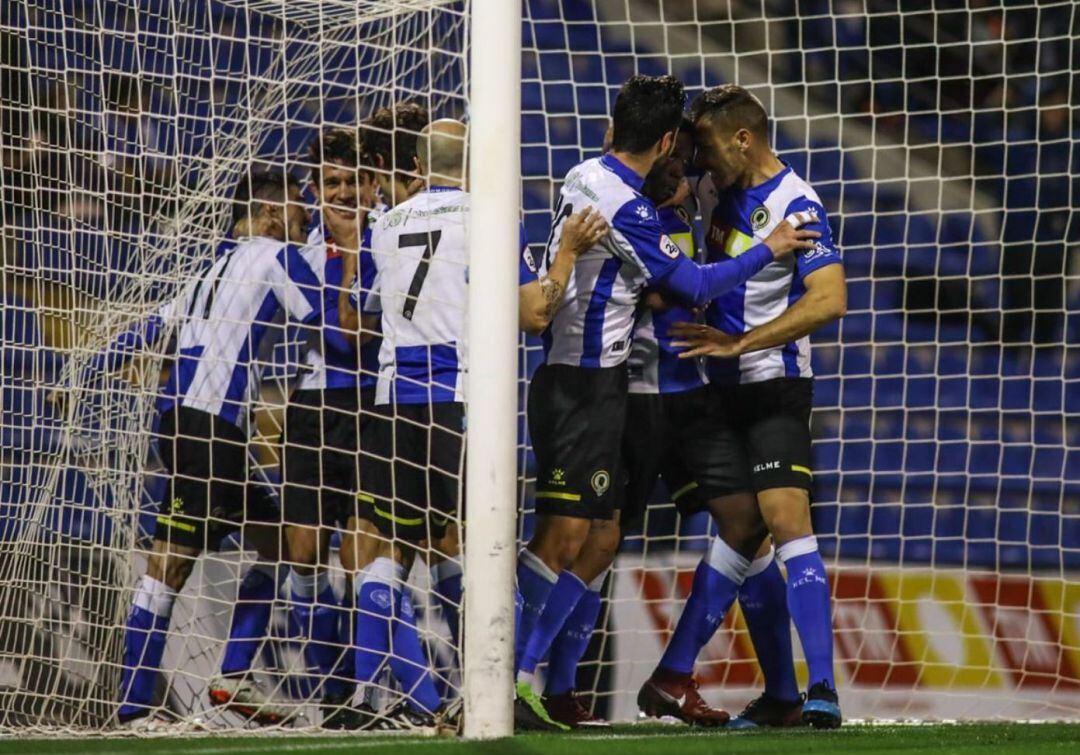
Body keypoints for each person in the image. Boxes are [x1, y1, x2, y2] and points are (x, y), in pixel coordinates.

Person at [515, 74, 821, 731]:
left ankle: (698, 679)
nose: (687, 166)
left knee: (741, 525)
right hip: (621, 392)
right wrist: (757, 253)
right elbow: (686, 285)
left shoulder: (696, 195)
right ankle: (528, 674)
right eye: (678, 153)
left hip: (684, 395)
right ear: (659, 145)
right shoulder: (629, 203)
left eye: (694, 155)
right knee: (585, 535)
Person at [98, 170, 338, 728]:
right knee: (167, 570)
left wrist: (88, 371)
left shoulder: (208, 272)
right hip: (213, 436)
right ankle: (134, 709)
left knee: (281, 545)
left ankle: (232, 675)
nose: (304, 221)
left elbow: (146, 328)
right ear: (272, 214)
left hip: (185, 431)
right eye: (300, 212)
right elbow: (323, 316)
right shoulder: (275, 255)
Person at [641, 84, 848, 730]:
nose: (697, 157)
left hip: (772, 384)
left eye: (706, 143)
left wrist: (742, 341)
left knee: (784, 520)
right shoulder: (709, 185)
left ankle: (822, 689)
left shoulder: (798, 203)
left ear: (742, 139)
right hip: (712, 389)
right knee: (741, 532)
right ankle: (727, 684)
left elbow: (829, 299)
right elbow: (655, 166)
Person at [273, 127, 380, 728]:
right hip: (314, 409)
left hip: (373, 407)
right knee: (304, 554)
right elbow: (340, 339)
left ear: (372, 184)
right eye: (330, 182)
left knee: (358, 554)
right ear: (313, 191)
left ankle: (360, 698)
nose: (342, 192)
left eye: (352, 181)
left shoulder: (393, 240)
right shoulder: (303, 254)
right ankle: (329, 688)